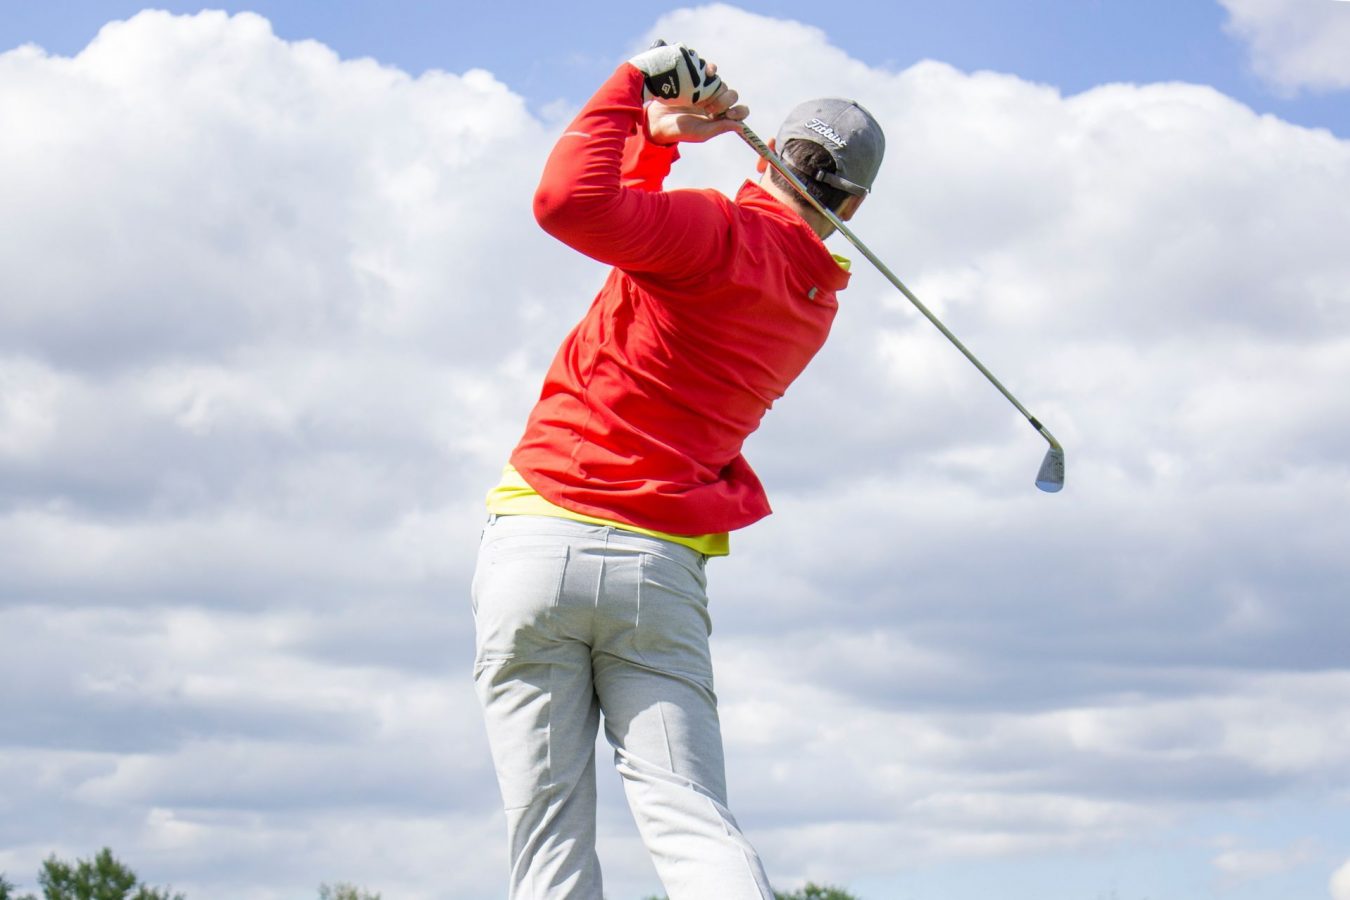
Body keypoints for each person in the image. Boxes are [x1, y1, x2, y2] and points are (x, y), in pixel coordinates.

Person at [471, 40, 885, 900]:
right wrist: (655, 144)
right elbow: (632, 228)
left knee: (548, 837)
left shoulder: (714, 230)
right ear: (852, 205)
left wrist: (632, 88)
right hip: (655, 572)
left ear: (767, 153)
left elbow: (567, 204)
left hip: (538, 536)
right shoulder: (812, 304)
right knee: (689, 816)